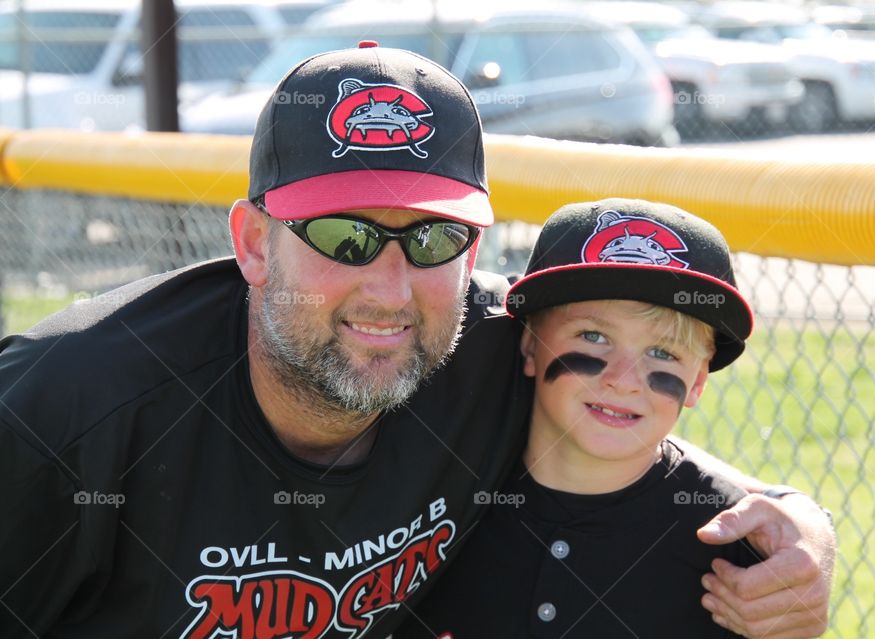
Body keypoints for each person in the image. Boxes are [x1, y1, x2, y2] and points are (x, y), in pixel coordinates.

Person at [0, 44, 832, 638]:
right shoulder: (68, 409)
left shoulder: (494, 344)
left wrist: (801, 525)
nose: (392, 290)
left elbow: (624, 404)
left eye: (433, 240)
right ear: (254, 243)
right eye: (346, 237)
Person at [397, 198, 782, 637]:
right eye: (594, 336)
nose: (624, 380)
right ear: (528, 345)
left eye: (663, 352)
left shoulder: (729, 550)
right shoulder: (443, 504)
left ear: (697, 381)